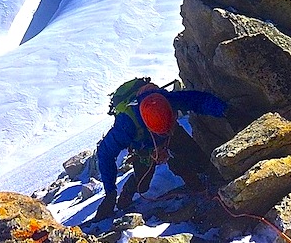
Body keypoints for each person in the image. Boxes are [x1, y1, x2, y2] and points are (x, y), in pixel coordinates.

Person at [92, 81, 227, 221]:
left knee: (198, 160)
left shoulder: (167, 100)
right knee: (142, 185)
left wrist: (225, 110)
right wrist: (110, 193)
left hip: (171, 131)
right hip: (144, 146)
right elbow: (105, 154)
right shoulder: (127, 125)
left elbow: (198, 100)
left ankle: (193, 182)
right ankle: (128, 192)